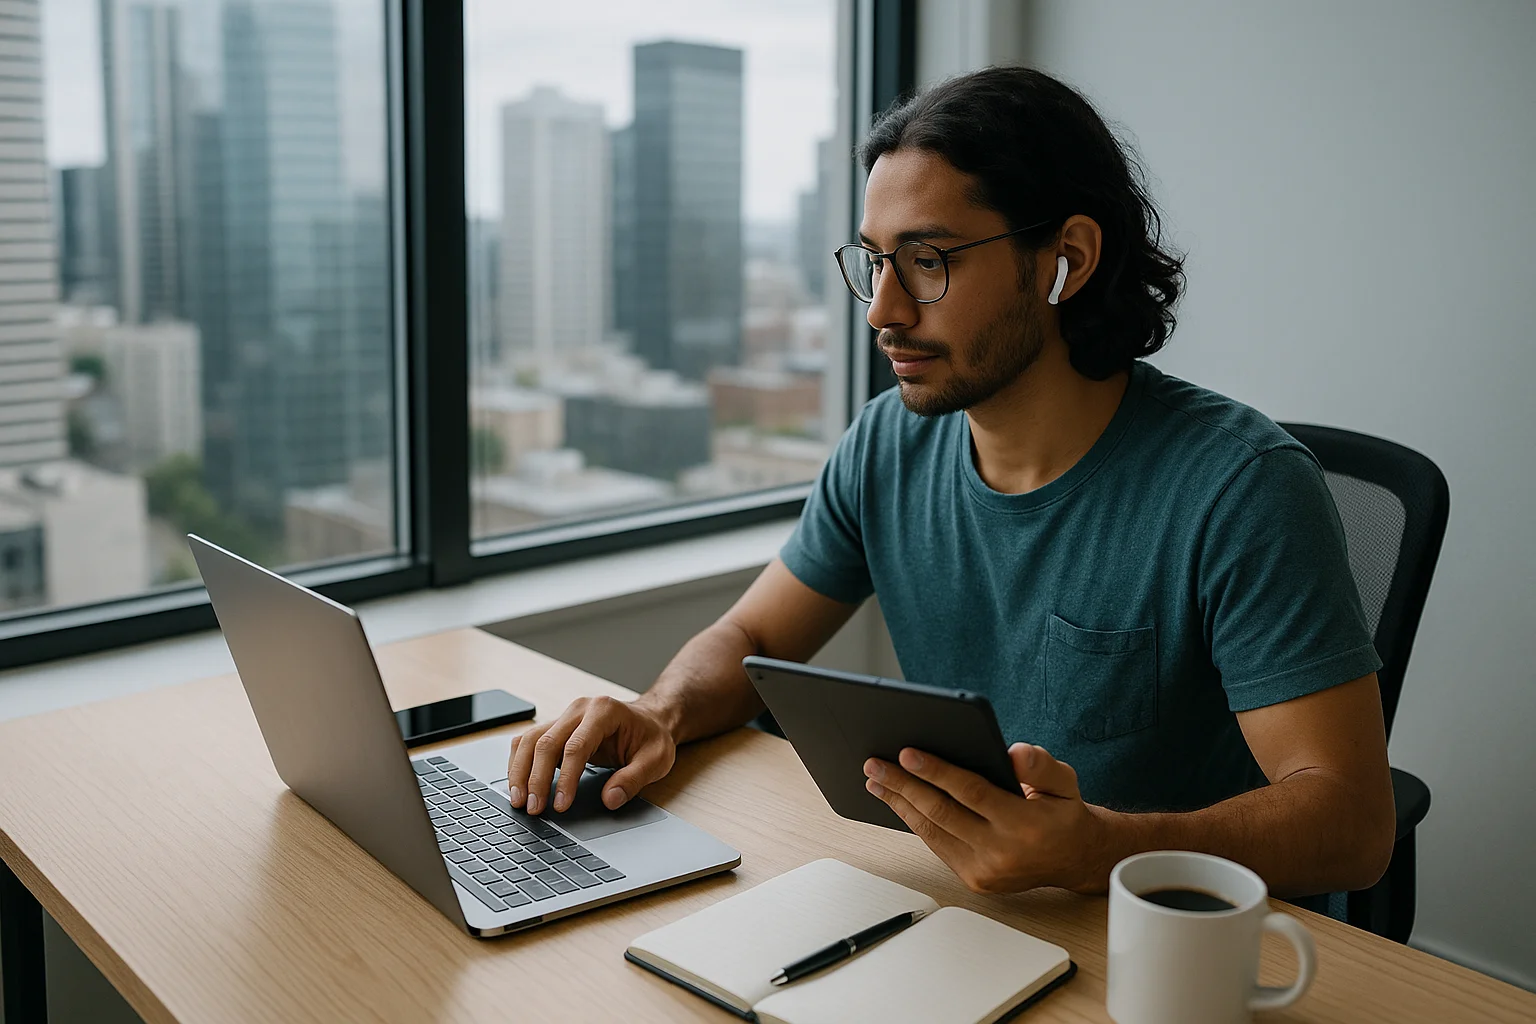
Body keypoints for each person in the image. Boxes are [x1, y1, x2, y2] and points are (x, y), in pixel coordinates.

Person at [506, 67, 1395, 899]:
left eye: (929, 260)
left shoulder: (1241, 488)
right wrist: (659, 712)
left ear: (1067, 261)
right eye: (874, 261)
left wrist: (1100, 849)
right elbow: (753, 632)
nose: (883, 312)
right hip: (956, 904)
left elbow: (1353, 823)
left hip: (1162, 936)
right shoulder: (886, 443)